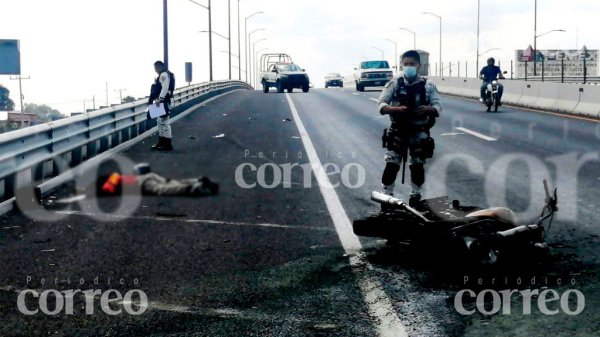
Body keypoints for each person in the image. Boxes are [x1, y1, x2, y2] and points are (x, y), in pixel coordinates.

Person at [377, 50, 442, 208]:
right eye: (405, 64)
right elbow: (381, 104)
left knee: (417, 165)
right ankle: (387, 195)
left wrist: (428, 109)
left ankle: (415, 195)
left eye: (412, 64)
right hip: (398, 130)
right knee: (392, 164)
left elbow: (438, 106)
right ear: (402, 65)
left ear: (418, 65)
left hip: (419, 131)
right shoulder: (394, 83)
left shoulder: (428, 85)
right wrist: (394, 110)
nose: (408, 67)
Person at [101, 163, 219, 197]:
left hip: (141, 182)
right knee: (169, 182)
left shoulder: (111, 182)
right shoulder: (116, 176)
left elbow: (107, 190)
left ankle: (190, 187)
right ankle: (196, 180)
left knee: (162, 189)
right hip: (149, 175)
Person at [149, 61, 176, 151]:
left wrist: (160, 99)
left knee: (164, 122)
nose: (155, 70)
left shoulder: (163, 74)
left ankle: (167, 144)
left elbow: (165, 87)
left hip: (164, 101)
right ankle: (162, 143)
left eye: (156, 68)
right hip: (166, 100)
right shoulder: (168, 74)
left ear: (159, 67)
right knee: (160, 121)